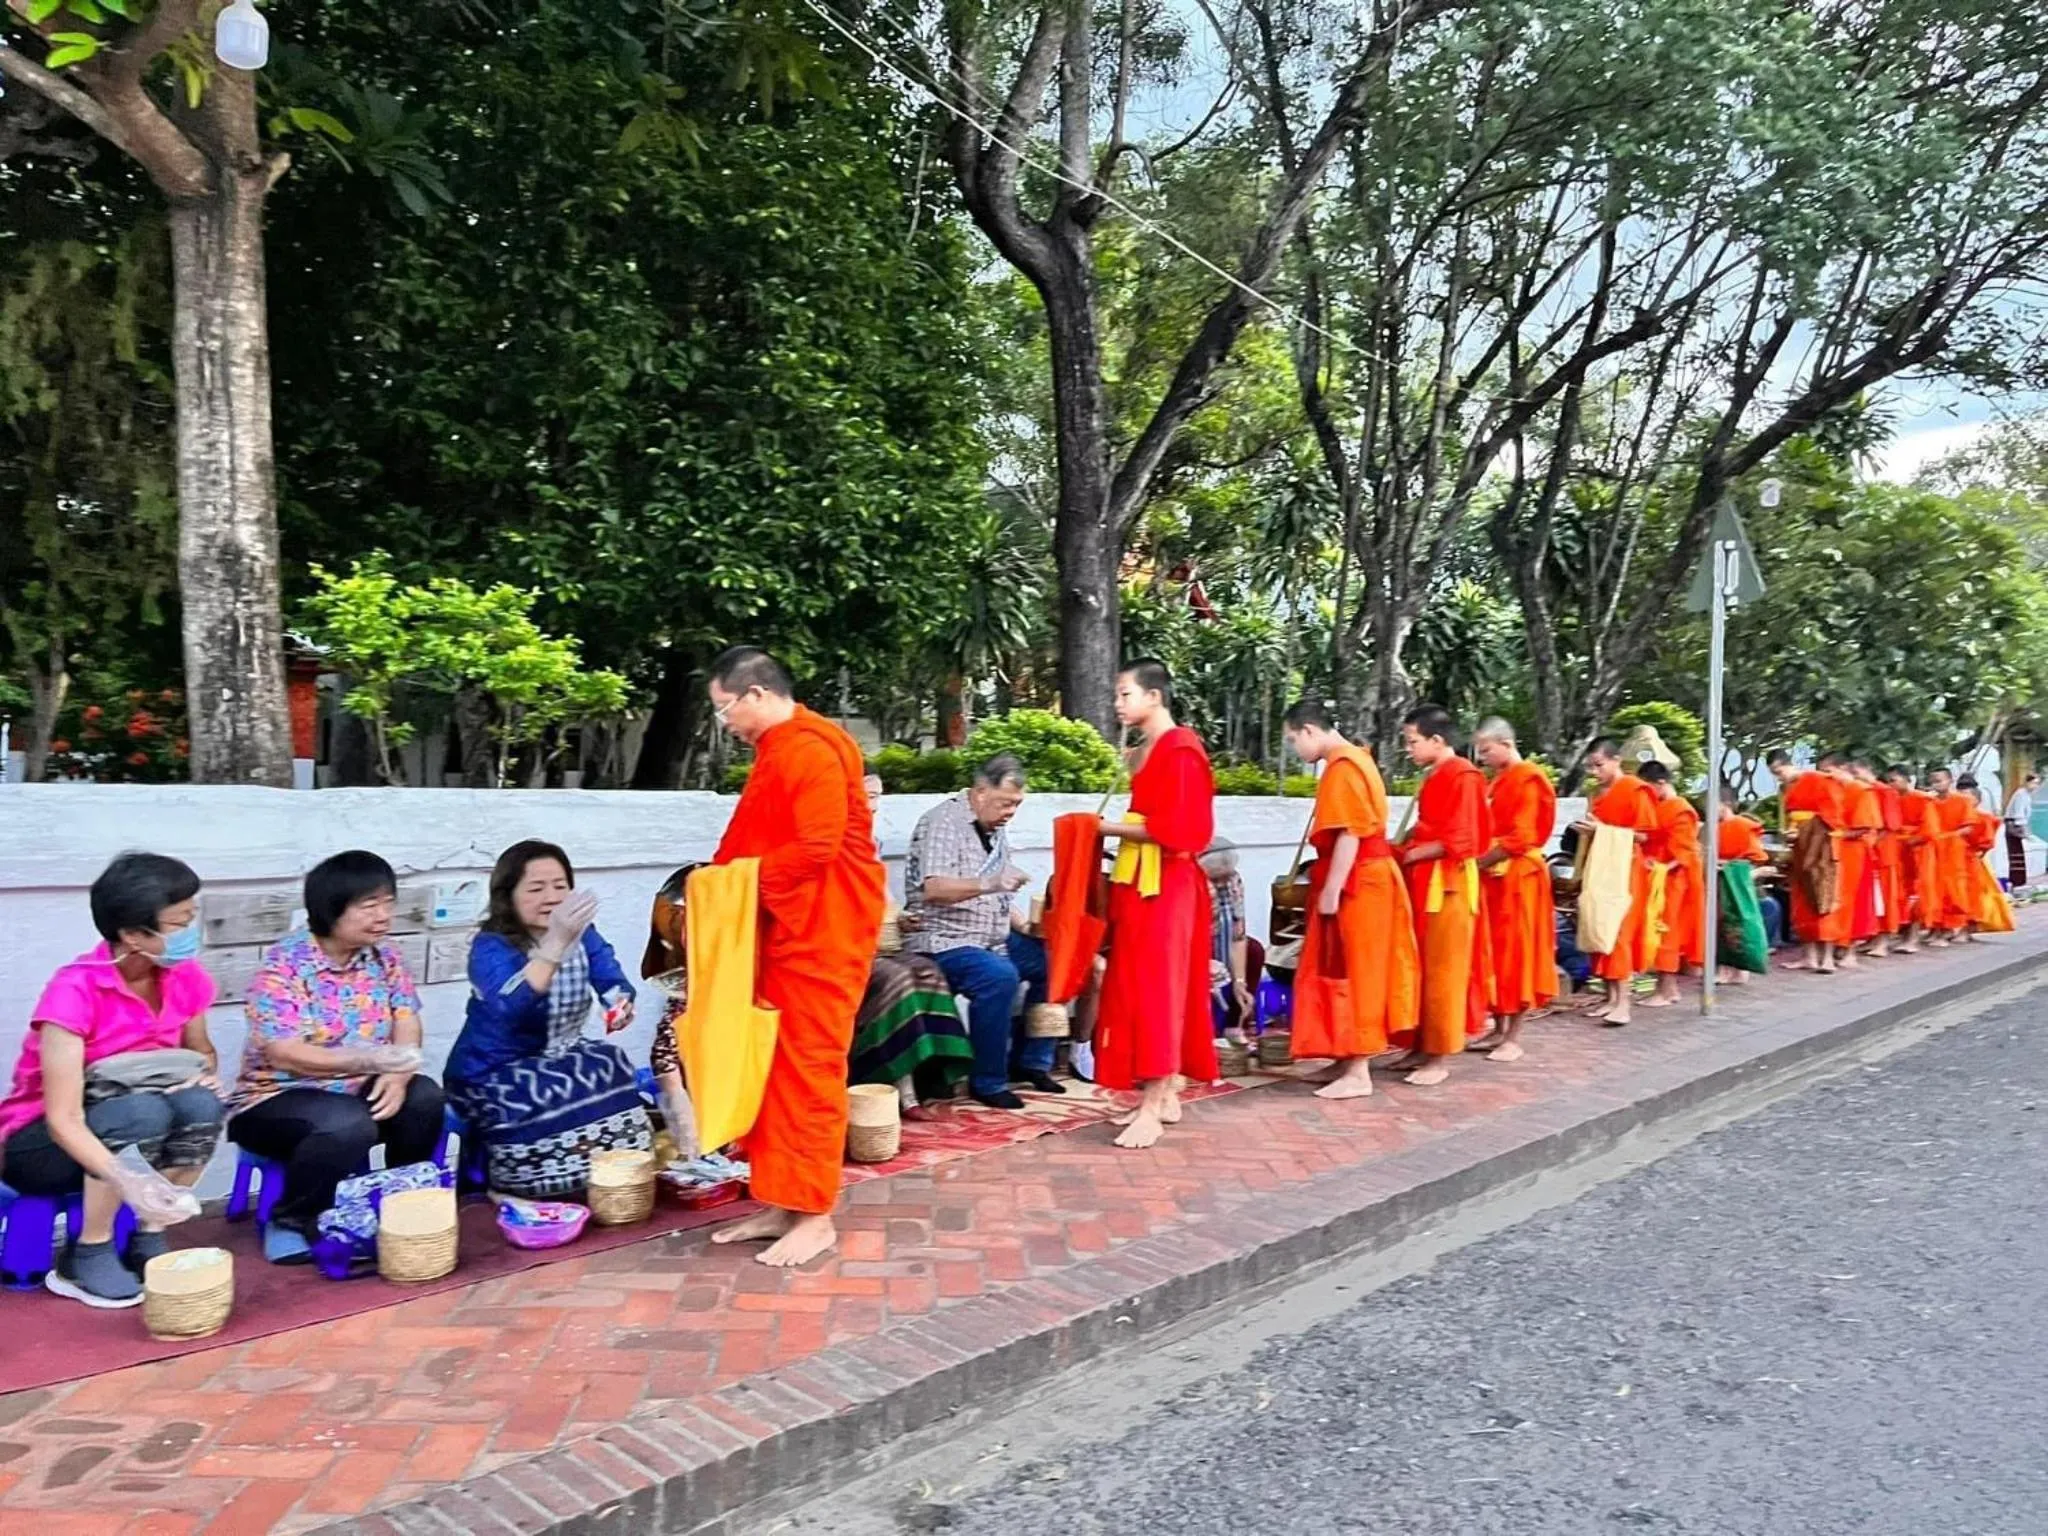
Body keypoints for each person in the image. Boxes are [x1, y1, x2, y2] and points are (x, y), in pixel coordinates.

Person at [703, 646, 885, 1266]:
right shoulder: (780, 749)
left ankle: (817, 1214)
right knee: (775, 1067)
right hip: (786, 929)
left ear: (756, 694)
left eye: (725, 708)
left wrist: (734, 882)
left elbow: (817, 847)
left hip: (822, 929)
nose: (725, 722)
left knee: (809, 1067)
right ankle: (783, 1201)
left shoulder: (809, 747)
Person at [0, 853, 222, 1308]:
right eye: (179, 924)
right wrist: (127, 1179)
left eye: (192, 917)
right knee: (141, 1111)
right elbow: (64, 1120)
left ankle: (149, 1231)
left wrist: (201, 1076)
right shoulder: (74, 990)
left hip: (135, 1125)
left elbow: (202, 1051)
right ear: (133, 935)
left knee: (201, 1106)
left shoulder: (185, 978)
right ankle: (88, 1251)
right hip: (41, 1142)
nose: (192, 932)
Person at [229, 851, 446, 1264]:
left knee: (425, 1097)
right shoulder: (284, 966)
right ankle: (291, 1220)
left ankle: (403, 1204)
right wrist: (374, 1061)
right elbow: (287, 1052)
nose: (383, 916)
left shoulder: (386, 957)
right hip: (275, 1097)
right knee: (346, 1122)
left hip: (356, 1088)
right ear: (330, 910)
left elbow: (407, 1019)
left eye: (388, 903)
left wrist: (399, 1074)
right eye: (369, 906)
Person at [444, 841, 651, 1200]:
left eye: (560, 886)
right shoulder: (490, 946)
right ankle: (532, 1186)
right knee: (533, 1093)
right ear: (508, 896)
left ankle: (600, 1174)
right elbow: (512, 1007)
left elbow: (609, 974)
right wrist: (555, 943)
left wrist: (619, 1002)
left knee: (612, 1064)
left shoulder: (583, 932)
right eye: (536, 888)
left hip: (559, 1053)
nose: (552, 897)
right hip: (492, 1066)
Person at [1096, 659, 1219, 1148]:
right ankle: (1164, 1094)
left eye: (1125, 694)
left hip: (1169, 885)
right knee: (1140, 986)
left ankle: (1152, 1104)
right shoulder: (1146, 749)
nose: (1118, 703)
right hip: (1142, 882)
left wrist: (1105, 829)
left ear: (1154, 697)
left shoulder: (1182, 749)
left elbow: (1184, 831)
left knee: (1159, 992)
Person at [903, 755, 1059, 1109]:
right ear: (980, 791)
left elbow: (1001, 893)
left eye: (1016, 804)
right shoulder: (943, 823)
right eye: (1005, 803)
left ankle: (1032, 1062)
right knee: (998, 977)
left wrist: (1029, 927)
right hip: (944, 938)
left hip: (992, 935)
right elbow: (934, 888)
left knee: (1051, 961)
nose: (1010, 812)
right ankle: (988, 1080)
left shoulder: (994, 828)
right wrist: (990, 882)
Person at [1281, 701, 1418, 1098]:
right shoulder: (1355, 759)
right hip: (1363, 877)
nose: (1296, 750)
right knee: (1338, 966)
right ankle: (1343, 1056)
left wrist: (1330, 890)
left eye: (1293, 740)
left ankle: (1359, 1070)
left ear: (1309, 730)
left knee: (1359, 971)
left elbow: (1349, 833)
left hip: (1361, 881)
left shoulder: (1343, 765)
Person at [857, 774, 974, 1116]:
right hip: (836, 951)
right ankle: (901, 1092)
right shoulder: (827, 841)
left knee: (928, 970)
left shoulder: (868, 843)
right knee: (898, 979)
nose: (872, 806)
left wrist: (901, 917)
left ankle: (933, 1084)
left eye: (877, 797)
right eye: (865, 796)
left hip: (875, 945)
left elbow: (884, 900)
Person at [1395, 705, 1491, 1085]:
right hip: (1426, 882)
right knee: (1422, 968)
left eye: (1412, 742)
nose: (1409, 749)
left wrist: (1416, 853)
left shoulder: (1464, 775)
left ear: (1437, 740)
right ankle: (1421, 1045)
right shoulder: (1437, 774)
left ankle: (1439, 1058)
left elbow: (1464, 838)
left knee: (1444, 973)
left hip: (1447, 885)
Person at [1472, 717, 1557, 1060]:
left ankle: (1514, 1037)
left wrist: (1481, 861)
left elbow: (1522, 837)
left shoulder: (1529, 778)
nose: (1483, 758)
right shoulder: (1499, 780)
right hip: (1496, 877)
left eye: (1487, 750)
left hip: (1519, 877)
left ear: (1506, 744)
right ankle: (1498, 1029)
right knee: (1495, 952)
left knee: (1517, 953)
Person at [1576, 740, 1657, 1024]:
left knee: (1620, 932)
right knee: (1600, 929)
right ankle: (1609, 998)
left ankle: (1624, 1003)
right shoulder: (1598, 795)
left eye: (1599, 765)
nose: (1594, 772)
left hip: (1626, 869)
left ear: (1616, 760)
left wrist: (1603, 830)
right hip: (1601, 868)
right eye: (1591, 767)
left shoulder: (1635, 790)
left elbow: (1645, 836)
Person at [1770, 749, 1846, 974]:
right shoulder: (1788, 789)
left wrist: (1804, 831)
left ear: (1787, 764)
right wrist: (1793, 833)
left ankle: (1828, 958)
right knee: (1801, 904)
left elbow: (1831, 816)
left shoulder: (1817, 779)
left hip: (1820, 849)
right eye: (1775, 774)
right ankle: (1810, 957)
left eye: (1779, 771)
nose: (1779, 777)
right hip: (1800, 849)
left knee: (1824, 900)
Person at [1636, 761, 1703, 1007]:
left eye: (1648, 787)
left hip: (1674, 879)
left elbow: (1684, 851)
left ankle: (1667, 989)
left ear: (1661, 783)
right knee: (1657, 929)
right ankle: (1666, 988)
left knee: (1667, 930)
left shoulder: (1680, 809)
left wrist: (1662, 869)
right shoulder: (1660, 806)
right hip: (1658, 876)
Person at [1199, 839, 1265, 1039]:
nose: (1222, 883)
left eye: (1225, 876)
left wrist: (1239, 981)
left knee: (1253, 950)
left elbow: (1237, 935)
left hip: (1221, 937)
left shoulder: (1233, 880)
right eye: (1216, 878)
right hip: (1189, 943)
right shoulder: (1189, 882)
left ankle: (1235, 1023)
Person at [1715, 793, 1773, 984]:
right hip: (1721, 877)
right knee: (1721, 924)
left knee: (1741, 922)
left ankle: (1742, 969)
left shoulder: (1742, 825)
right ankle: (1726, 968)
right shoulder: (1715, 828)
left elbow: (1756, 857)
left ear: (1725, 804)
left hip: (1739, 879)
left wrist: (1728, 865)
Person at [1853, 760, 1906, 959]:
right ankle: (1872, 938)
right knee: (1872, 898)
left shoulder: (1885, 792)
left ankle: (1883, 942)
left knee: (1884, 896)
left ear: (1867, 770)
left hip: (1883, 852)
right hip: (1868, 850)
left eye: (1855, 771)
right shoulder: (1862, 791)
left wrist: (1872, 842)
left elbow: (1889, 826)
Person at [1887, 764, 1940, 952]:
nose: (1891, 784)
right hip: (1897, 851)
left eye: (1894, 780)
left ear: (1907, 778)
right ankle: (1903, 935)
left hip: (1918, 852)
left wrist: (1908, 840)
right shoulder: (1891, 800)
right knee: (1900, 894)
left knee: (1917, 893)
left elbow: (1930, 831)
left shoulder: (1923, 800)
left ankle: (1913, 939)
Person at [1927, 767, 1975, 944]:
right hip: (1933, 851)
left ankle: (1955, 927)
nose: (1936, 784)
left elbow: (1969, 827)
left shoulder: (1963, 800)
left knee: (1954, 890)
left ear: (1950, 780)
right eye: (1933, 781)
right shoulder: (1929, 802)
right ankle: (1938, 928)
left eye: (1939, 780)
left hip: (1954, 851)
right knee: (1935, 889)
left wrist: (1948, 836)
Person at [2004, 771, 2039, 891]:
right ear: (2027, 783)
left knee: (2018, 854)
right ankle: (2016, 881)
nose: (2035, 786)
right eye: (2033, 783)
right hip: (2013, 826)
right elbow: (2018, 814)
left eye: (2037, 784)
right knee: (2016, 855)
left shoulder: (2026, 796)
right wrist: (2024, 831)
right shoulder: (2020, 794)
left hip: (2018, 826)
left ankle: (2019, 881)